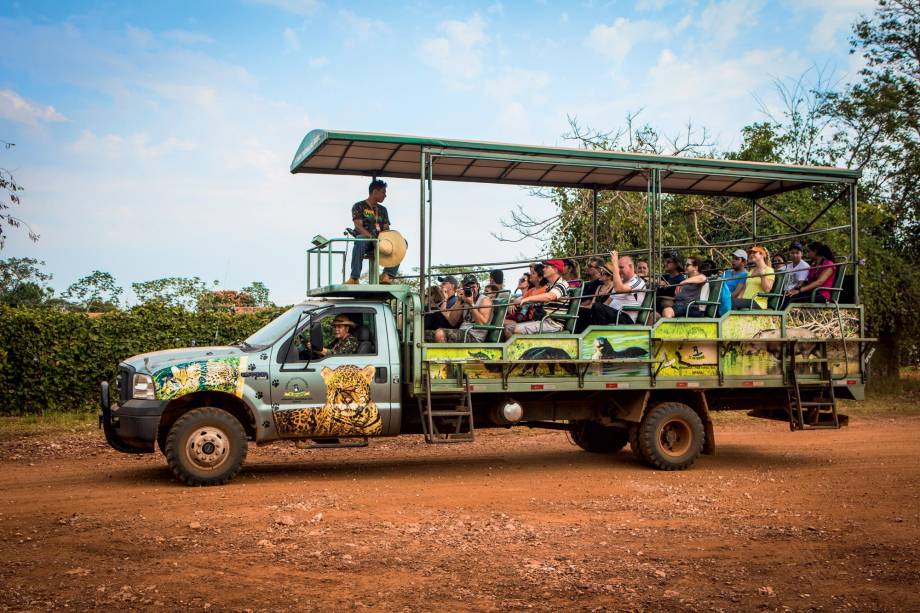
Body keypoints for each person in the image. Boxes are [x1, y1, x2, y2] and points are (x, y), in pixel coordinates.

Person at [347, 179, 398, 284]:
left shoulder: (383, 210)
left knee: (401, 243)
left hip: (381, 242)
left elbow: (386, 229)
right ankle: (354, 277)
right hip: (367, 241)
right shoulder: (359, 206)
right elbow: (358, 226)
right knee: (360, 239)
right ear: (375, 192)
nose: (385, 195)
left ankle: (386, 275)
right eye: (383, 192)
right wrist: (372, 238)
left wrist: (389, 240)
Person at [511, 260, 570, 334]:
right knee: (510, 327)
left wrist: (528, 299)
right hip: (544, 320)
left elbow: (550, 296)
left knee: (515, 329)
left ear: (555, 269)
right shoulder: (550, 286)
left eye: (546, 267)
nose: (543, 269)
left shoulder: (562, 284)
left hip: (554, 324)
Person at [588, 251, 648, 325]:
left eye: (621, 267)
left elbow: (620, 289)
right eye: (618, 267)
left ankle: (601, 334)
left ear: (630, 266)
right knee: (584, 311)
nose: (619, 270)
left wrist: (615, 265)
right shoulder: (621, 282)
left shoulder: (637, 281)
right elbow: (606, 303)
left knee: (597, 307)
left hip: (626, 317)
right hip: (614, 314)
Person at [435, 274, 494, 342]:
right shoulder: (464, 300)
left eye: (473, 287)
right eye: (468, 288)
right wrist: (458, 301)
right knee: (424, 334)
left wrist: (471, 304)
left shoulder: (485, 300)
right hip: (462, 332)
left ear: (477, 286)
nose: (471, 290)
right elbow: (452, 322)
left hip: (474, 337)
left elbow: (482, 324)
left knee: (440, 334)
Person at [784, 242, 837, 306]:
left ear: (815, 251)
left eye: (809, 251)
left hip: (820, 294)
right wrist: (794, 289)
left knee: (790, 299)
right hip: (810, 292)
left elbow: (819, 282)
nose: (808, 254)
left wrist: (800, 290)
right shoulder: (814, 265)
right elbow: (807, 282)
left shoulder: (828, 264)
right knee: (787, 295)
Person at [732, 245, 774, 310]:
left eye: (754, 252)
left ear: (762, 255)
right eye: (751, 253)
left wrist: (762, 276)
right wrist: (738, 299)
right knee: (728, 302)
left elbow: (767, 289)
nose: (751, 254)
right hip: (746, 301)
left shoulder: (769, 270)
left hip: (757, 302)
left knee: (731, 302)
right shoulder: (751, 271)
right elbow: (744, 290)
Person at [718, 249, 749, 316]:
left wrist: (722, 298)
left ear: (744, 262)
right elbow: (717, 284)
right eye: (733, 258)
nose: (733, 260)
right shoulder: (727, 272)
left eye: (737, 259)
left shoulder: (744, 275)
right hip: (718, 298)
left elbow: (735, 294)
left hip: (727, 301)